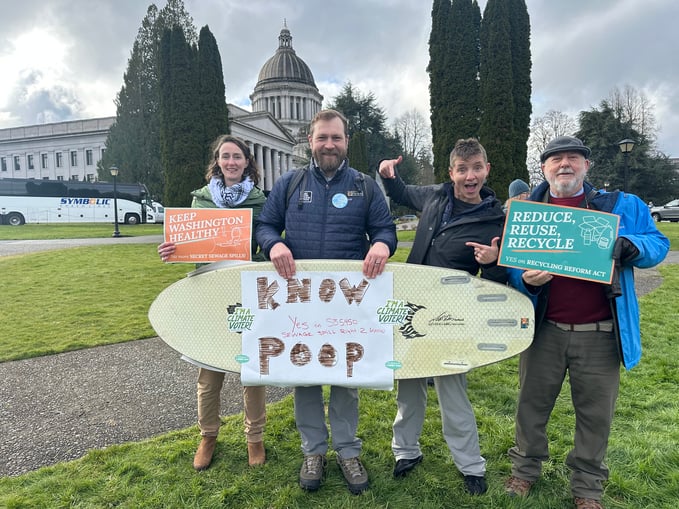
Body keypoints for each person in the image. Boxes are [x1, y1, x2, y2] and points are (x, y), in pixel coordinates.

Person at [503, 136, 669, 509]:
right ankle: (524, 471)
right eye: (556, 159)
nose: (565, 165)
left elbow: (656, 242)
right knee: (531, 406)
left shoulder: (621, 205)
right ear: (543, 169)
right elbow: (513, 269)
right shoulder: (528, 212)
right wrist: (524, 280)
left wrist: (632, 245)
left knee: (595, 415)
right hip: (544, 331)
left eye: (573, 158)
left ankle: (588, 487)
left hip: (600, 331)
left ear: (586, 166)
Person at [255, 109, 397, 494]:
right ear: (311, 142)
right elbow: (264, 225)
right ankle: (313, 451)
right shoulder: (289, 182)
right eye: (322, 138)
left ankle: (348, 451)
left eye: (336, 138)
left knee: (345, 377)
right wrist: (275, 243)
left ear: (346, 141)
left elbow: (384, 228)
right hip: (300, 302)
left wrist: (383, 243)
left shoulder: (365, 186)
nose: (329, 145)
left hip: (347, 303)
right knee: (306, 377)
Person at [377, 138, 506, 496]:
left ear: (486, 170)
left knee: (453, 394)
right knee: (409, 388)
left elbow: (500, 283)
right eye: (462, 169)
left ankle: (471, 465)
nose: (470, 176)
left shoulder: (496, 220)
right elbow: (402, 192)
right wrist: (388, 176)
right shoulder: (434, 195)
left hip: (452, 318)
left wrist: (492, 264)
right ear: (451, 173)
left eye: (476, 168)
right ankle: (405, 452)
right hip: (410, 309)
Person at [157, 135, 269, 470]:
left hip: (247, 293)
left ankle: (255, 438)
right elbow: (190, 245)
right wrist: (173, 250)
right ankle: (208, 435)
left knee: (252, 369)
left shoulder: (260, 201)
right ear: (217, 161)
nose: (232, 162)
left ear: (247, 161)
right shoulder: (201, 201)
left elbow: (265, 241)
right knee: (210, 372)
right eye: (225, 156)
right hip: (210, 294)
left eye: (237, 157)